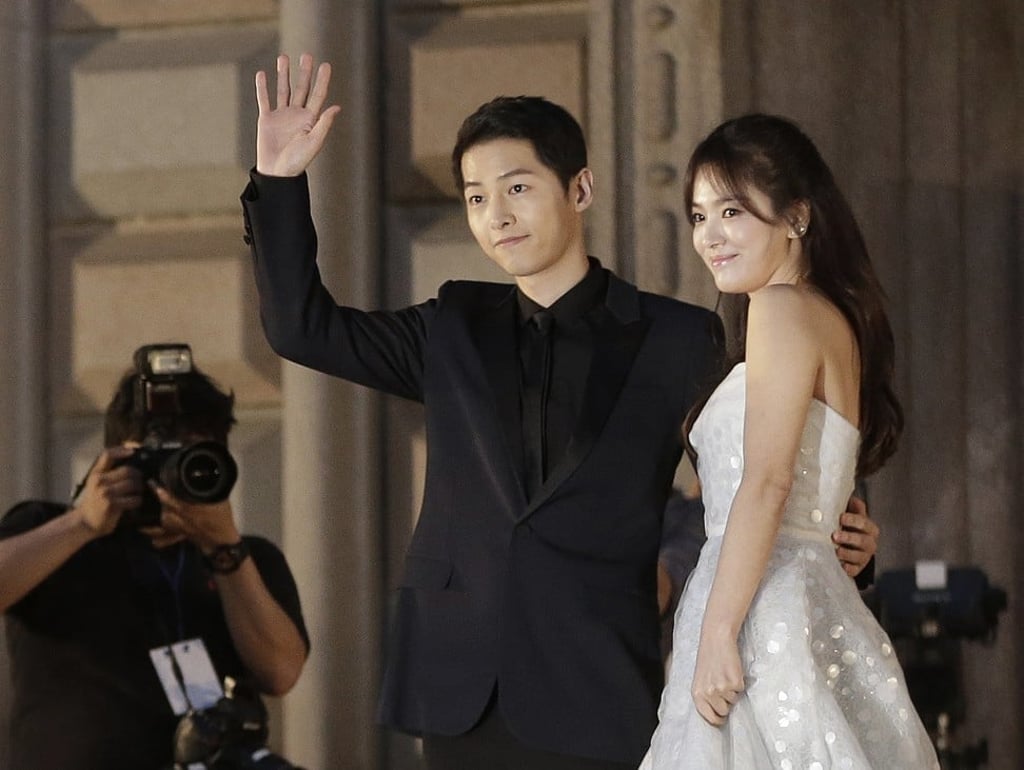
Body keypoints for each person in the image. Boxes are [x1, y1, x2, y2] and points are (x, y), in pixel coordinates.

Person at [240, 53, 878, 769]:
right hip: (459, 682)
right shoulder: (449, 324)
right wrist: (280, 181)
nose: (497, 215)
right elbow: (300, 329)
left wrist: (843, 527)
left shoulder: (677, 336)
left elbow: (761, 460)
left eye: (517, 188)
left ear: (580, 188)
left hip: (597, 679)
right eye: (477, 198)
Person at [640, 114, 939, 768]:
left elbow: (771, 481)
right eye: (697, 217)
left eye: (731, 212)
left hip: (759, 613)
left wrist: (720, 632)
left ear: (797, 216)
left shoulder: (781, 307)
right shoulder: (829, 316)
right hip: (794, 599)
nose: (709, 237)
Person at [0, 345, 309, 770]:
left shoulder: (247, 559)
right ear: (114, 459)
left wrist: (225, 549)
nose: (169, 479)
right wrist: (81, 525)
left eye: (190, 460)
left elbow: (280, 672)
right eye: (154, 461)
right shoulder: (49, 530)